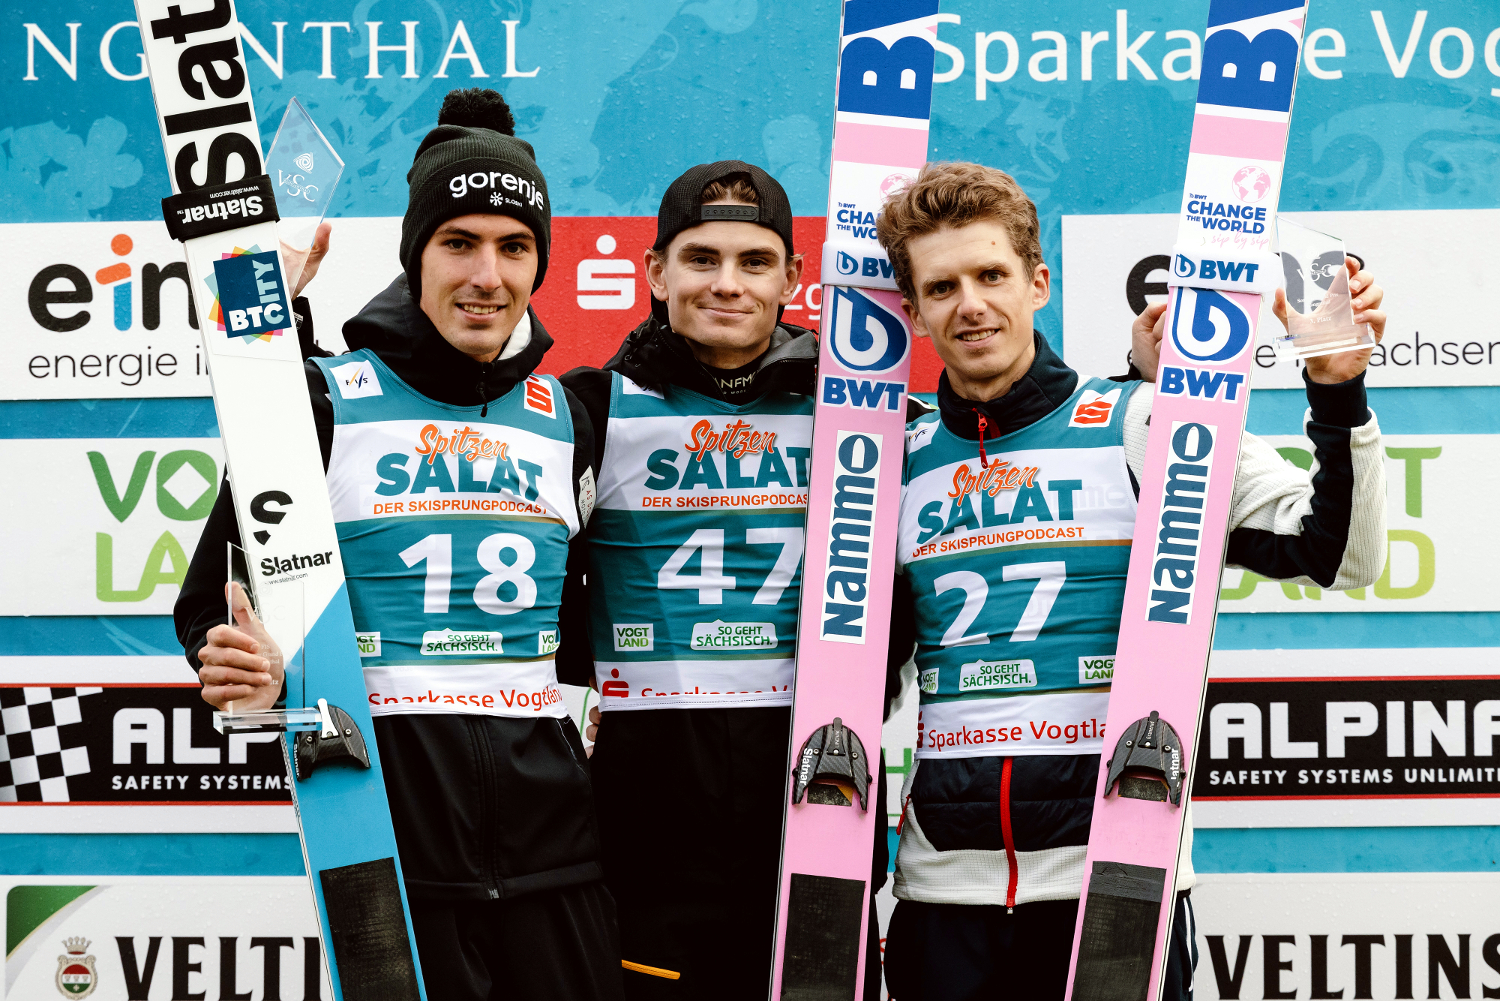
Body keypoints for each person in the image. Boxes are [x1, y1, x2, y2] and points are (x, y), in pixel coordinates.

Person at [874, 161, 1389, 1000]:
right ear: (916, 308)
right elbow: (859, 678)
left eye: (992, 275)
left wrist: (1338, 391)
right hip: (942, 901)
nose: (970, 304)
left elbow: (1342, 554)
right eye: (942, 286)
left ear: (1038, 282)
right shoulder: (896, 460)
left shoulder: (1144, 422)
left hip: (1117, 886)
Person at [174, 89, 624, 1001]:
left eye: (515, 246)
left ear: (540, 262)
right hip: (389, 847)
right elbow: (209, 607)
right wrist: (251, 669)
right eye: (458, 242)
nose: (487, 275)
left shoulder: (569, 418)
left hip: (557, 859)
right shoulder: (322, 402)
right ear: (416, 252)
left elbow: (587, 626)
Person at [562, 161, 908, 999]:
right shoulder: (592, 408)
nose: (727, 283)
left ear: (793, 277)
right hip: (650, 828)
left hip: (818, 802)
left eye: (755, 261)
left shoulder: (861, 413)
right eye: (701, 258)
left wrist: (1147, 379)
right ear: (656, 272)